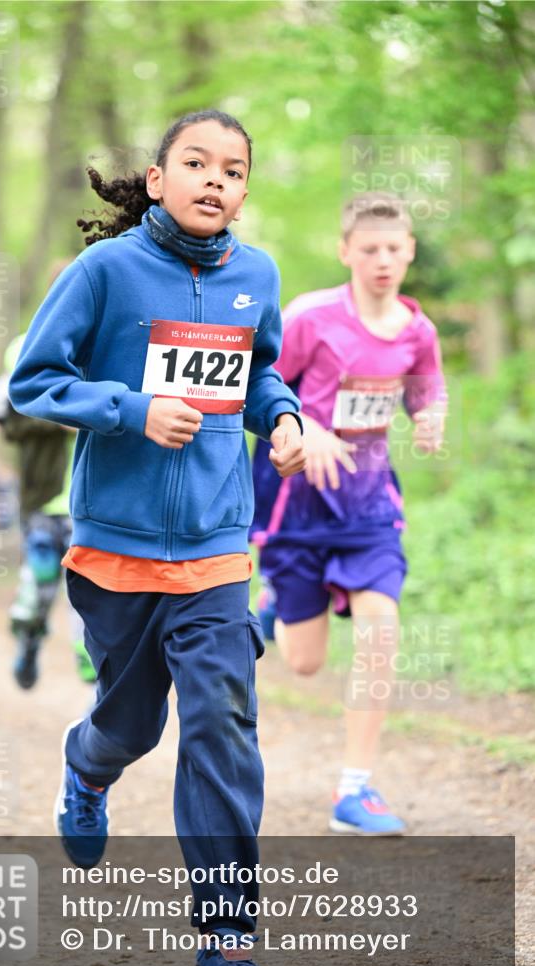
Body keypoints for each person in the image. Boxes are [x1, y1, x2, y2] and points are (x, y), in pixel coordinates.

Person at [10, 109, 305, 966]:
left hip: (217, 548)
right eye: (197, 163)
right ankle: (85, 764)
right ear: (157, 178)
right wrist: (131, 410)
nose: (216, 180)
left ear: (243, 190)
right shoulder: (105, 271)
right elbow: (34, 381)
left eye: (233, 170)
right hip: (117, 549)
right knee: (132, 726)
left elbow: (258, 373)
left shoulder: (256, 274)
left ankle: (226, 946)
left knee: (220, 725)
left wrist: (281, 417)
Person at [251, 192, 447, 836]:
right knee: (304, 662)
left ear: (409, 250)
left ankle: (355, 789)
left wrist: (430, 418)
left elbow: (425, 389)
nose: (383, 261)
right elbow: (261, 386)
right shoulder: (311, 317)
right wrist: (308, 427)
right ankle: (277, 599)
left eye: (393, 248)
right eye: (369, 249)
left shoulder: (418, 330)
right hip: (298, 504)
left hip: (369, 506)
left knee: (380, 630)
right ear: (346, 252)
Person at [0, 326, 97, 690]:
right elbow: (7, 419)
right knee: (42, 584)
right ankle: (29, 638)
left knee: (88, 585)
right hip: (42, 503)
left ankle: (89, 655)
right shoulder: (28, 345)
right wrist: (59, 419)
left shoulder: (101, 340)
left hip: (88, 506)